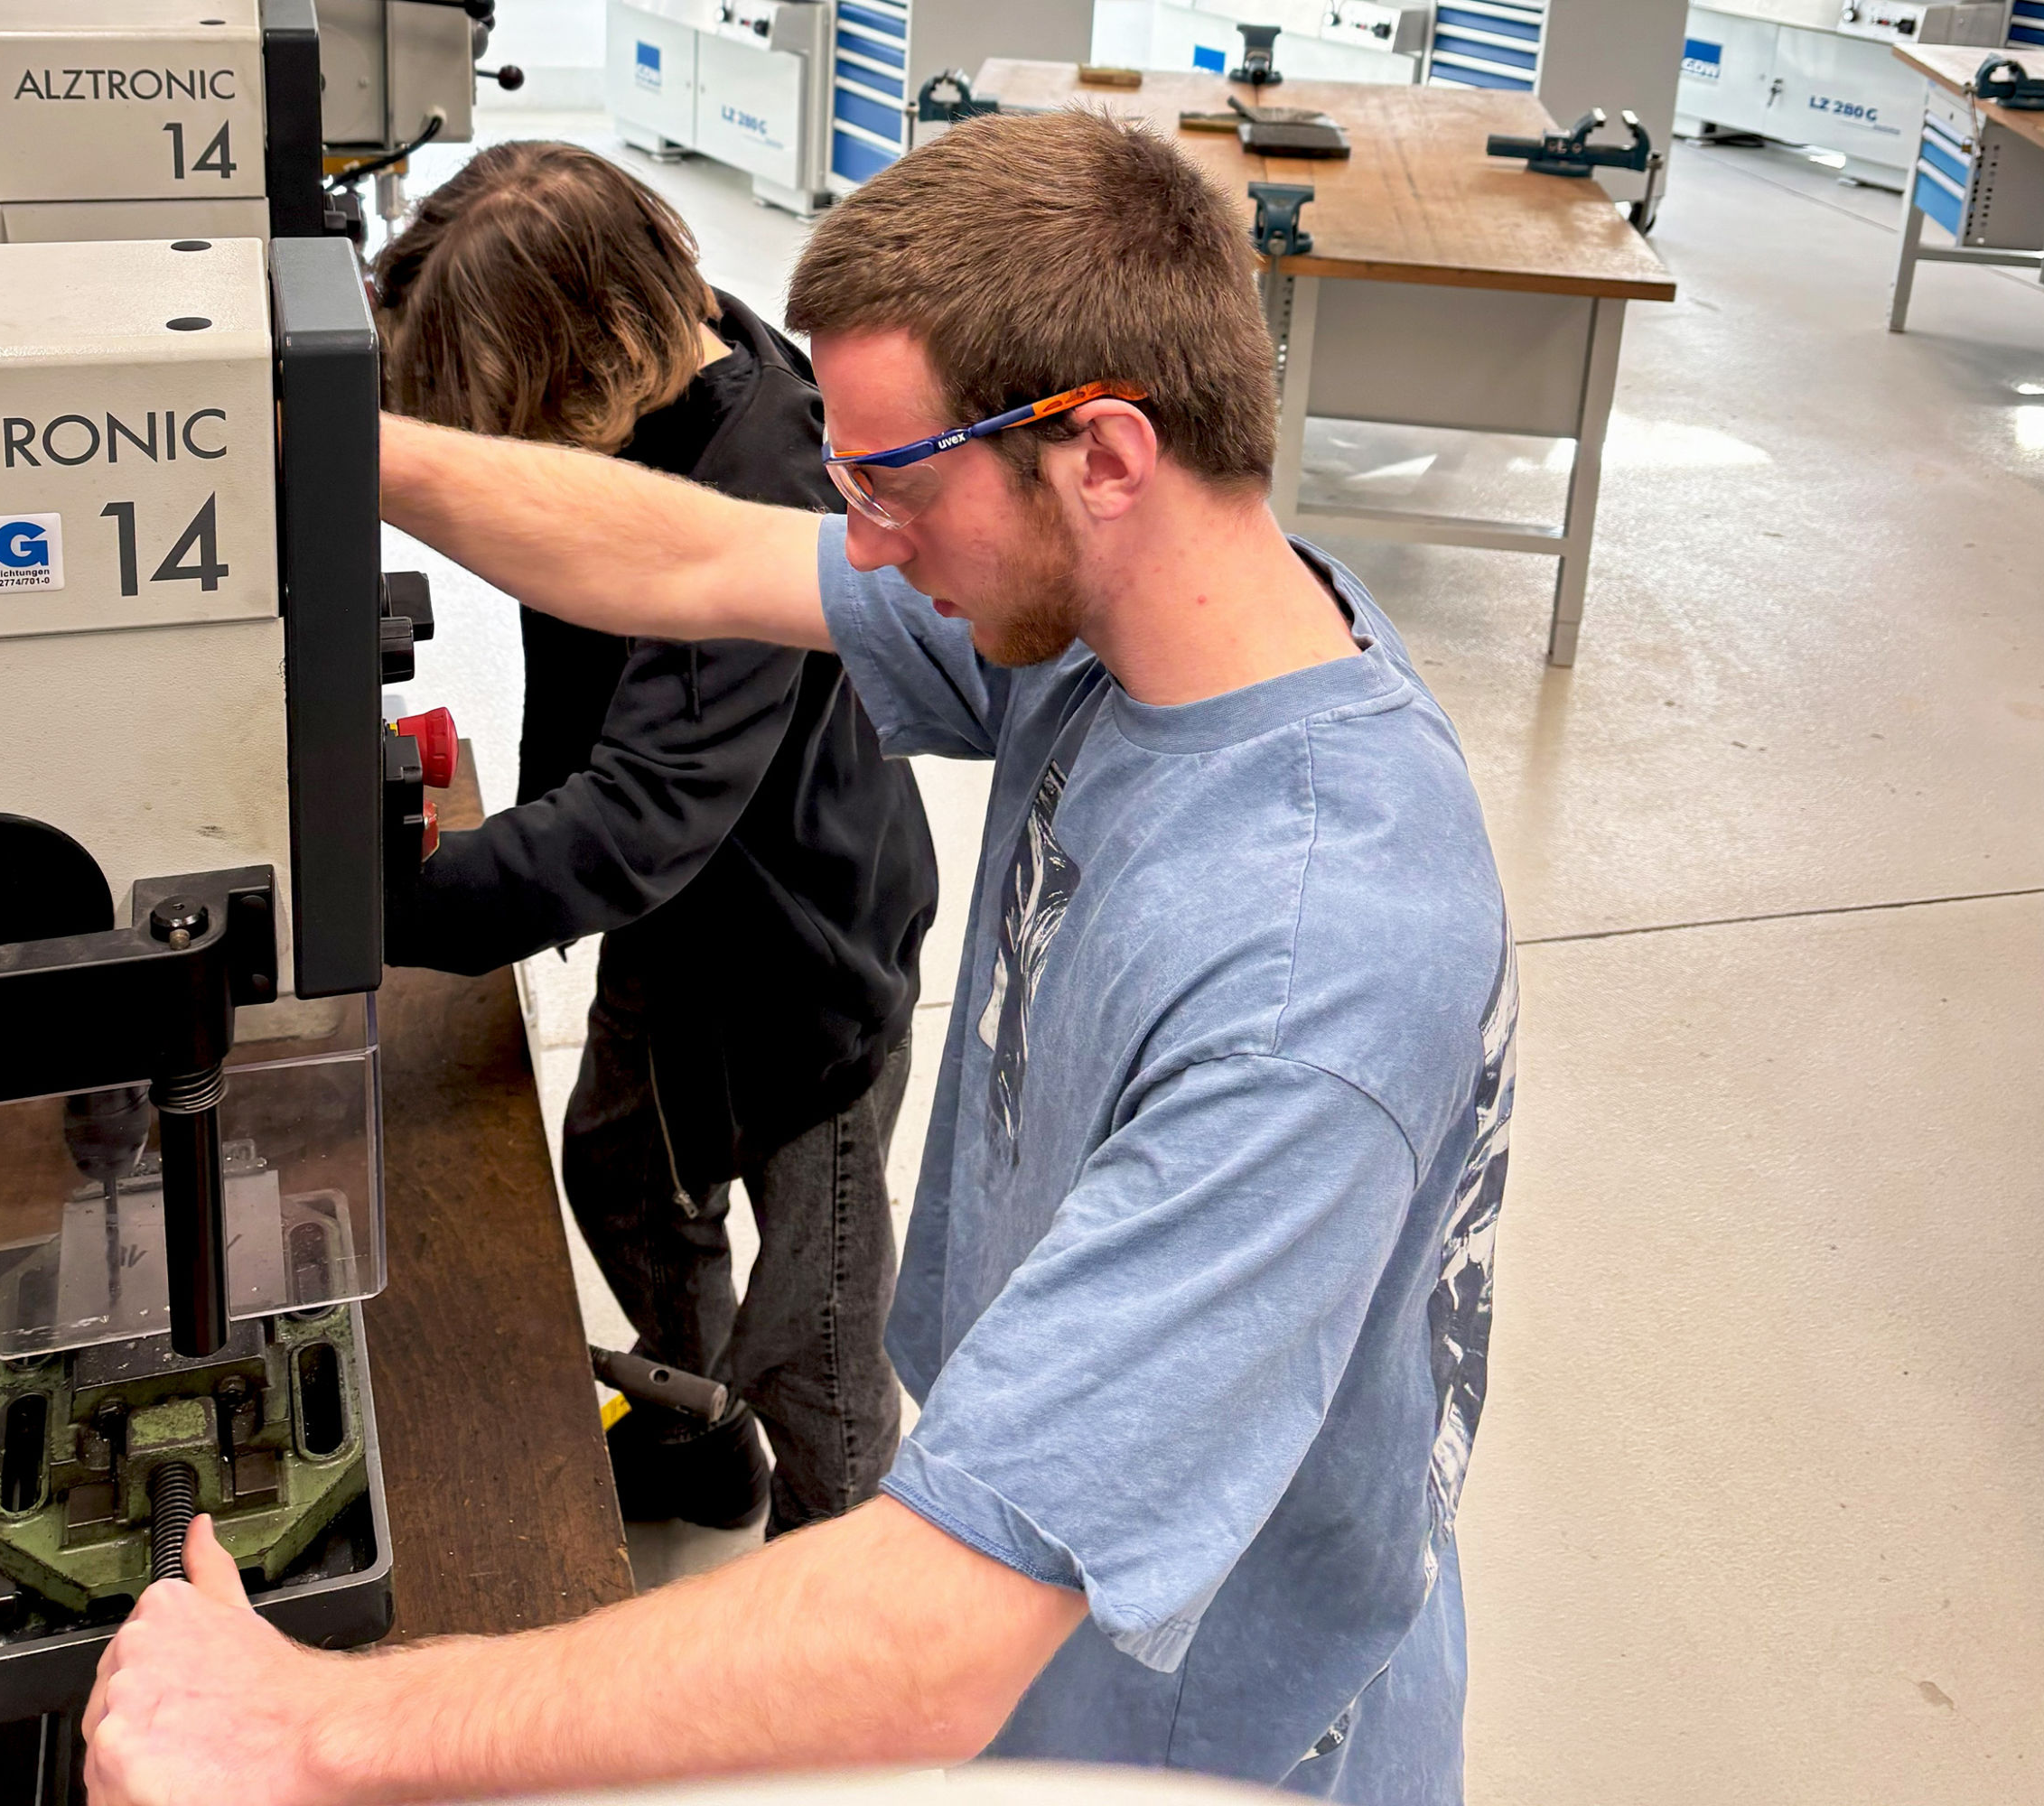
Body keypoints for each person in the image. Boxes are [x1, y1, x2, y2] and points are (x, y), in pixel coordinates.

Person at [82, 111, 1517, 1806]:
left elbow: (928, 1630)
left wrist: (309, 1723)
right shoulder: (1149, 626)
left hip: (1193, 1742)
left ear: (1107, 455)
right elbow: (692, 553)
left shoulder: (1309, 974)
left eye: (891, 482)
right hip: (1059, 1653)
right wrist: (330, 436)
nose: (860, 532)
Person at [369, 144, 937, 1538]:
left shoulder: (762, 487)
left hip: (808, 977)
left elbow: (641, 812)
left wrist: (395, 908)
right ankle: (699, 1445)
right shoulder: (652, 367)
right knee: (621, 1174)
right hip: (678, 932)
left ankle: (839, 1578)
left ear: (600, 340)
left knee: (815, 1350)